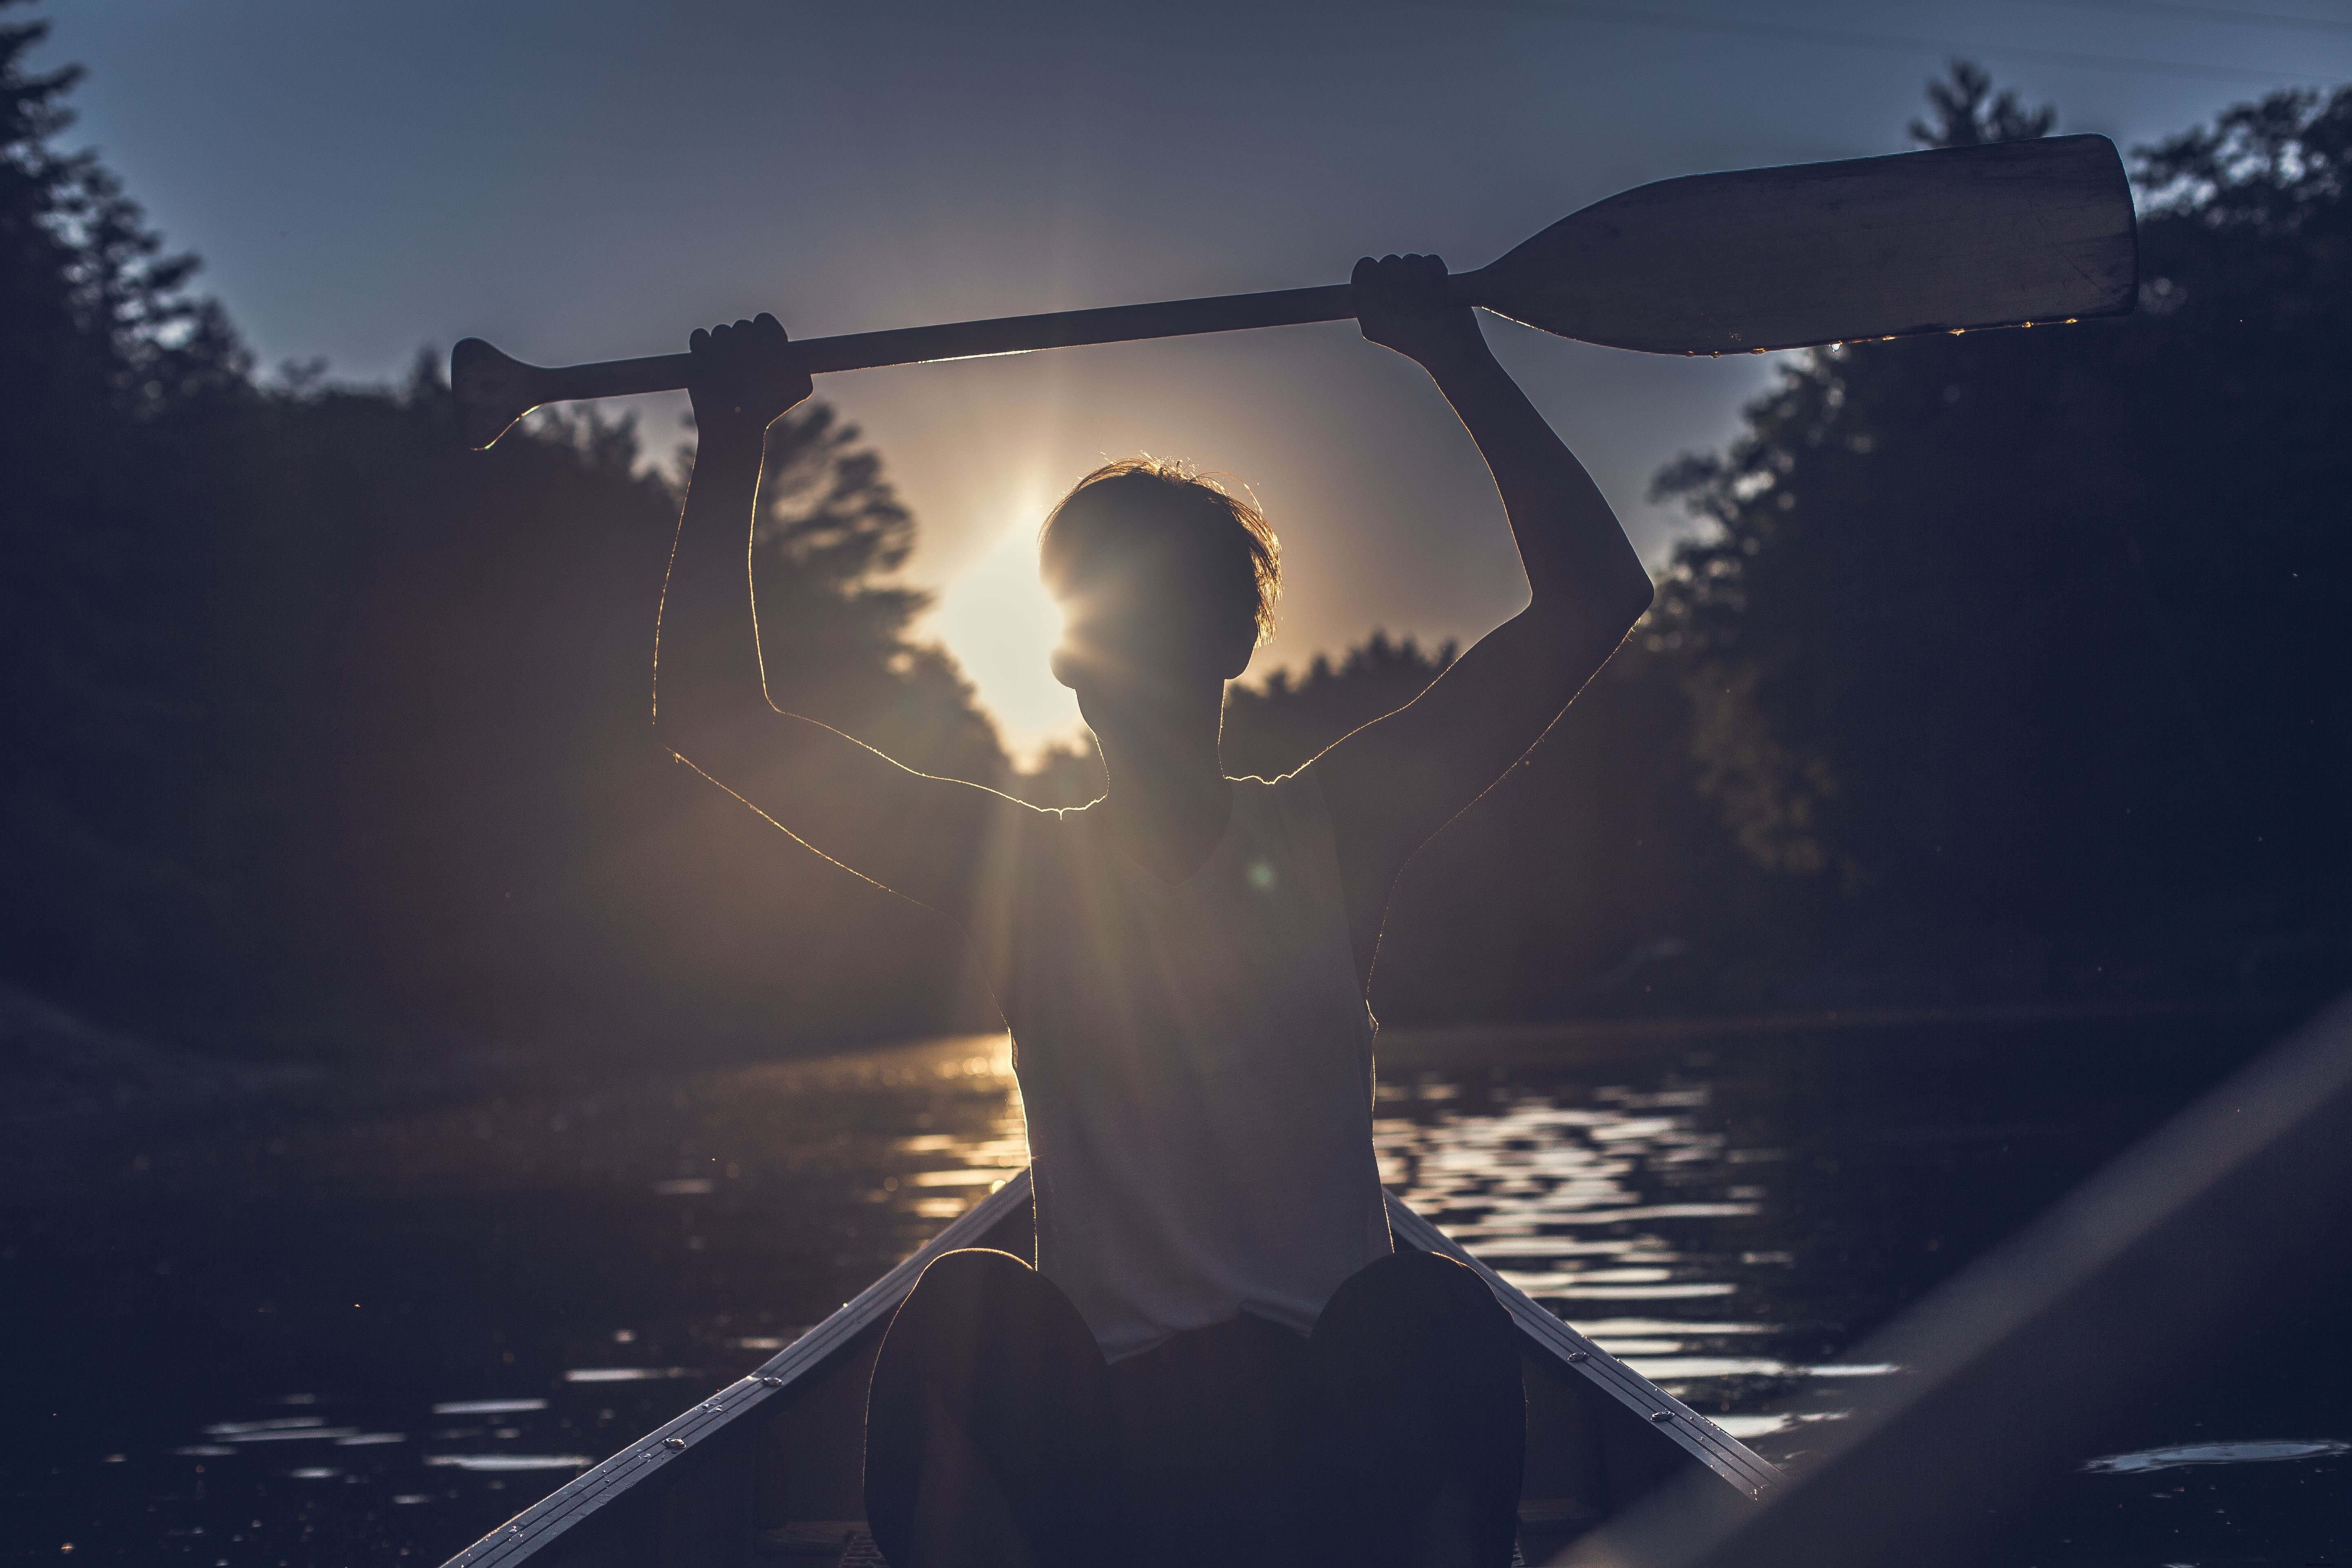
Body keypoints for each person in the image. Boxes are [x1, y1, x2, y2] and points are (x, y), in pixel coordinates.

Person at [656, 255, 1655, 1568]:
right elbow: (720, 720)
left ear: (1239, 640)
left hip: (1324, 1455)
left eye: (1177, 604)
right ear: (1064, 657)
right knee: (963, 1311)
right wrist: (731, 445)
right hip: (1113, 1474)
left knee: (1433, 1312)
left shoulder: (1335, 833)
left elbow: (1597, 597)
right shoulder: (1011, 869)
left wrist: (1453, 353)